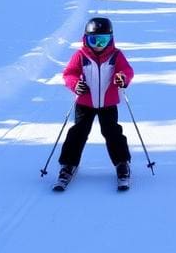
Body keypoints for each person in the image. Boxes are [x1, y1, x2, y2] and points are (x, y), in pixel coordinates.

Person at [56, 17, 134, 190]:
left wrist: (123, 78)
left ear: (111, 38)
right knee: (78, 133)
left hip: (108, 103)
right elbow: (69, 74)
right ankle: (68, 165)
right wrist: (75, 84)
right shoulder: (80, 56)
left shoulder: (116, 55)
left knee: (113, 133)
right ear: (86, 39)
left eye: (103, 40)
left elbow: (126, 70)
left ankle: (122, 164)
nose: (99, 44)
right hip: (85, 102)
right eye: (94, 40)